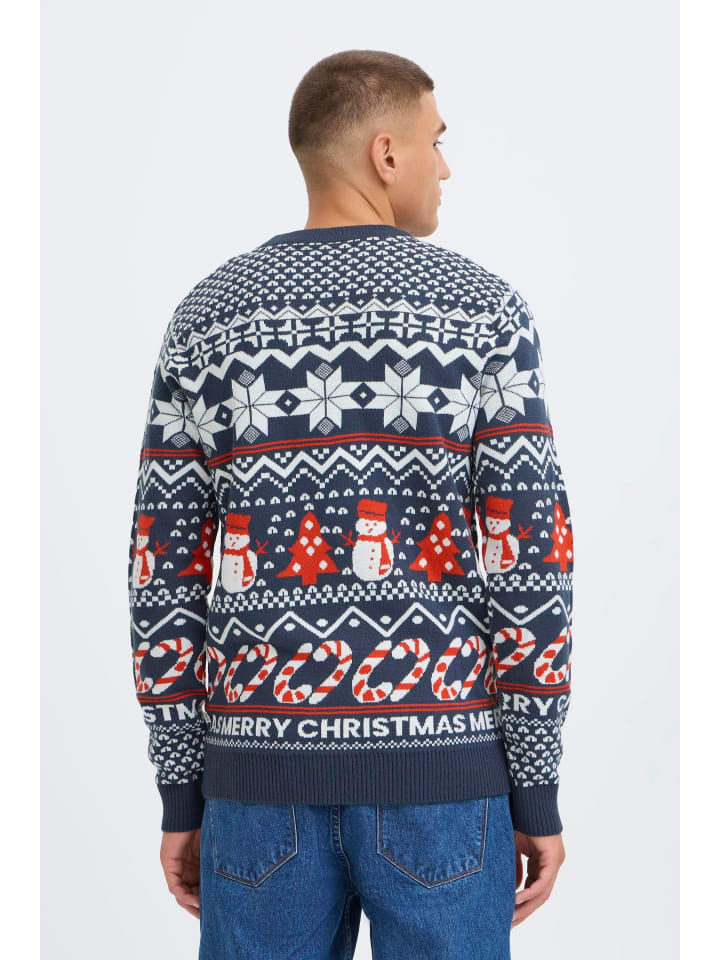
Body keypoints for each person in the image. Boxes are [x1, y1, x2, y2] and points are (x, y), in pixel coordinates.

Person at [127, 49, 574, 960]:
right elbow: (533, 559)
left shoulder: (207, 319)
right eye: (436, 141)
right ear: (386, 153)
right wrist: (534, 785)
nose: (445, 165)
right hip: (444, 779)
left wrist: (183, 789)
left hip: (255, 786)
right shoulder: (484, 313)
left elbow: (160, 571)